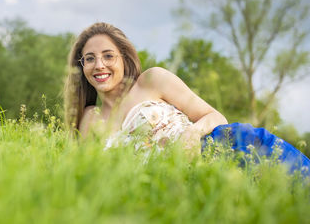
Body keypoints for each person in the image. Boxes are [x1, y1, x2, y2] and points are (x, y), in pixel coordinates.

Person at [64, 22, 310, 176]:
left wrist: (193, 133)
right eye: (90, 58)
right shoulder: (89, 119)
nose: (99, 65)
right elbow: (92, 178)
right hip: (177, 186)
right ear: (81, 66)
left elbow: (216, 117)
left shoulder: (152, 80)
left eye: (108, 56)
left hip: (223, 148)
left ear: (124, 58)